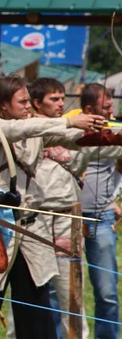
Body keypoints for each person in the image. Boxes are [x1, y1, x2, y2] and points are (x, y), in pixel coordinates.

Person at [0, 76, 104, 339]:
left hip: (32, 231)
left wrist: (96, 132)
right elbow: (19, 131)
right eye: (21, 102)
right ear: (3, 105)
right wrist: (67, 120)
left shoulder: (32, 128)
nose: (27, 106)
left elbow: (69, 138)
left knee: (36, 313)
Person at [25, 78, 122, 339]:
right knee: (42, 293)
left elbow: (101, 144)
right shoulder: (27, 129)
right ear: (36, 103)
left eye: (61, 98)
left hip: (72, 219)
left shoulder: (74, 130)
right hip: (37, 221)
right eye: (53, 99)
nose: (60, 103)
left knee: (75, 292)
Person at [78, 83, 121, 339]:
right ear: (88, 109)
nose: (111, 110)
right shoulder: (70, 129)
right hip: (66, 217)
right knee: (63, 290)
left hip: (101, 219)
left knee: (107, 292)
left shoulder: (114, 130)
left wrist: (114, 196)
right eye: (106, 107)